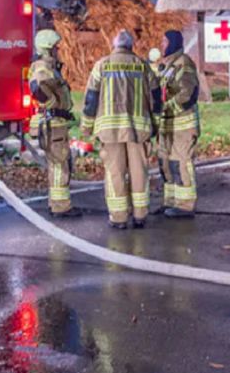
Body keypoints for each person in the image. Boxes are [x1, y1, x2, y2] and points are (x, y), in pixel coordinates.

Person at [80, 30, 161, 229]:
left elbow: (91, 99)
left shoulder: (102, 65)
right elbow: (156, 97)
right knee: (139, 172)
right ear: (131, 46)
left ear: (114, 46)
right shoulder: (142, 66)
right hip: (138, 129)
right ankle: (140, 215)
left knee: (115, 173)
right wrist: (155, 124)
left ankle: (118, 218)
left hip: (110, 130)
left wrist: (87, 127)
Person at [28, 29, 81, 218]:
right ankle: (61, 206)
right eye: (56, 47)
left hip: (56, 122)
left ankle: (56, 203)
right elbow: (36, 87)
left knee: (57, 164)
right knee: (60, 164)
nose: (59, 49)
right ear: (48, 49)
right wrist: (51, 104)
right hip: (53, 122)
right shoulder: (43, 67)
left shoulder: (49, 66)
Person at [153, 30, 201, 218]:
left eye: (165, 41)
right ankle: (170, 201)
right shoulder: (167, 65)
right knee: (167, 163)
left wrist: (165, 108)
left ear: (173, 43)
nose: (162, 45)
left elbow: (187, 94)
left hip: (182, 125)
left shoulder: (184, 63)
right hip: (168, 126)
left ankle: (185, 205)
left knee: (182, 162)